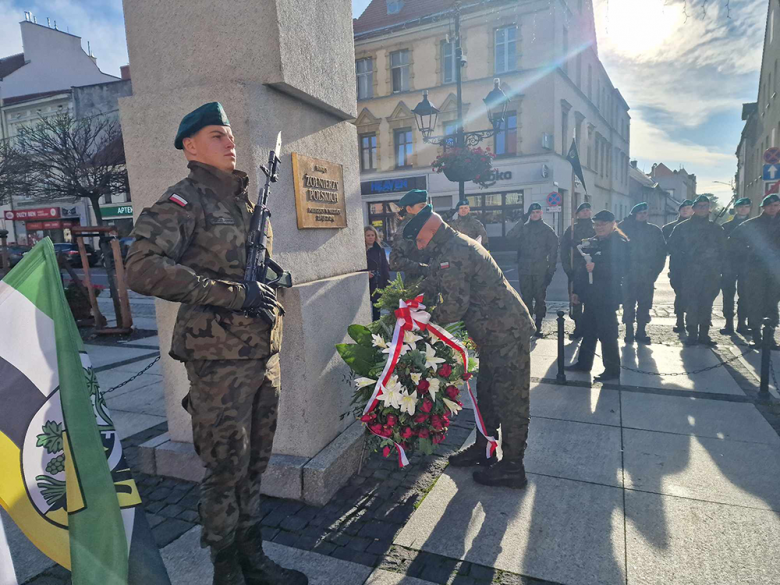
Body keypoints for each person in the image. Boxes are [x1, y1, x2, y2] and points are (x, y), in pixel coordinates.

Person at [125, 102, 307, 585]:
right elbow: (141, 267)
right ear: (190, 146)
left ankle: (254, 559)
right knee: (225, 467)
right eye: (215, 134)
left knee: (255, 465)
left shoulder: (244, 203)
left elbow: (249, 267)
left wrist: (270, 281)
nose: (229, 141)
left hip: (261, 353)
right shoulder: (185, 202)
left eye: (228, 133)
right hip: (218, 360)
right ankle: (225, 569)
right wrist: (230, 293)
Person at [405, 205, 534, 489]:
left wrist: (426, 318)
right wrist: (409, 303)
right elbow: (434, 282)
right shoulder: (448, 247)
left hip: (506, 333)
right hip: (491, 335)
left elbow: (453, 307)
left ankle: (513, 466)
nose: (419, 246)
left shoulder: (454, 252)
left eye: (420, 240)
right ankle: (484, 448)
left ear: (430, 230)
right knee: (486, 395)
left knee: (511, 400)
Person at [565, 210, 628, 382]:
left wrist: (597, 268)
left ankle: (612, 370)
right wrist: (577, 291)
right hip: (591, 295)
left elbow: (622, 268)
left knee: (607, 333)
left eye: (603, 224)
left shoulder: (619, 242)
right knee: (589, 331)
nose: (599, 227)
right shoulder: (594, 241)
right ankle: (584, 364)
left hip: (607, 295)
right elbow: (582, 269)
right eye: (596, 224)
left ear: (613, 223)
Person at [667, 195, 726, 347]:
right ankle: (692, 333)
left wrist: (716, 265)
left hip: (710, 273)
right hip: (689, 273)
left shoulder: (716, 229)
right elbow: (672, 248)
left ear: (709, 209)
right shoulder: (682, 228)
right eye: (699, 206)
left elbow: (724, 251)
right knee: (691, 304)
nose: (702, 209)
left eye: (705, 206)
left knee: (707, 304)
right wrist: (683, 260)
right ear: (693, 209)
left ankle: (704, 334)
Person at [728, 194, 780, 347]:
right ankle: (756, 334)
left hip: (775, 270)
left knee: (772, 302)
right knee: (755, 301)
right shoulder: (750, 225)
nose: (773, 208)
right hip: (754, 270)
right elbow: (733, 244)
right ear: (763, 207)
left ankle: (770, 335)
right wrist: (749, 255)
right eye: (770, 205)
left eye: (776, 205)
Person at [506, 202, 559, 337]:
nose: (535, 215)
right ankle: (528, 324)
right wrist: (521, 220)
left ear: (541, 213)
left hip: (540, 268)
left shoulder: (548, 230)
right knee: (526, 298)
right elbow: (509, 236)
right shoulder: (524, 228)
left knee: (540, 298)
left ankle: (539, 324)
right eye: (532, 213)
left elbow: (553, 253)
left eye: (537, 212)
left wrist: (551, 271)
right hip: (525, 268)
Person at [617, 202, 666, 344]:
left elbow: (661, 253)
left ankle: (641, 331)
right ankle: (629, 331)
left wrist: (655, 272)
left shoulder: (654, 230)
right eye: (640, 213)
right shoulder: (624, 229)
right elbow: (616, 249)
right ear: (634, 215)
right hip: (628, 273)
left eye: (645, 213)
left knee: (645, 304)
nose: (643, 216)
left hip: (647, 274)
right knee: (628, 303)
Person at [561, 202, 595, 339]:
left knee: (590, 300)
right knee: (575, 301)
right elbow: (563, 250)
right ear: (578, 214)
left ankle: (589, 328)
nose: (586, 213)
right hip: (576, 270)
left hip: (591, 269)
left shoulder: (595, 227)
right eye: (583, 211)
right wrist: (567, 268)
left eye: (588, 210)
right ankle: (578, 327)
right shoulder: (572, 230)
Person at [719, 197, 752, 334]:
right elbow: (720, 246)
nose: (742, 209)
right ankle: (728, 323)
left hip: (747, 264)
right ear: (736, 208)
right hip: (729, 264)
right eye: (740, 207)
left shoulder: (754, 226)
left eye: (746, 207)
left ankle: (742, 323)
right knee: (728, 294)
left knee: (745, 295)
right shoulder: (727, 226)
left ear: (749, 208)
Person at [662, 200, 694, 333]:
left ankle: (693, 322)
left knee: (694, 295)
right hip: (678, 266)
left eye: (689, 208)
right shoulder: (669, 228)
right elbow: (666, 247)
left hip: (696, 267)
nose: (686, 210)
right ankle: (680, 320)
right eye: (683, 208)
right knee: (680, 294)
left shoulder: (698, 227)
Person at [389, 189, 430, 278]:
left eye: (426, 207)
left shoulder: (425, 225)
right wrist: (423, 268)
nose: (426, 210)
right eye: (422, 207)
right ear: (409, 209)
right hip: (416, 284)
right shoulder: (405, 230)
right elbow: (395, 261)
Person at [365, 225, 390, 321]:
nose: (371, 237)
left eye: (372, 235)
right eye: (368, 235)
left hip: (377, 283)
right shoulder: (361, 251)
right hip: (366, 283)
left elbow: (385, 268)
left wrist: (387, 284)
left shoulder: (380, 250)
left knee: (377, 310)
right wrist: (364, 274)